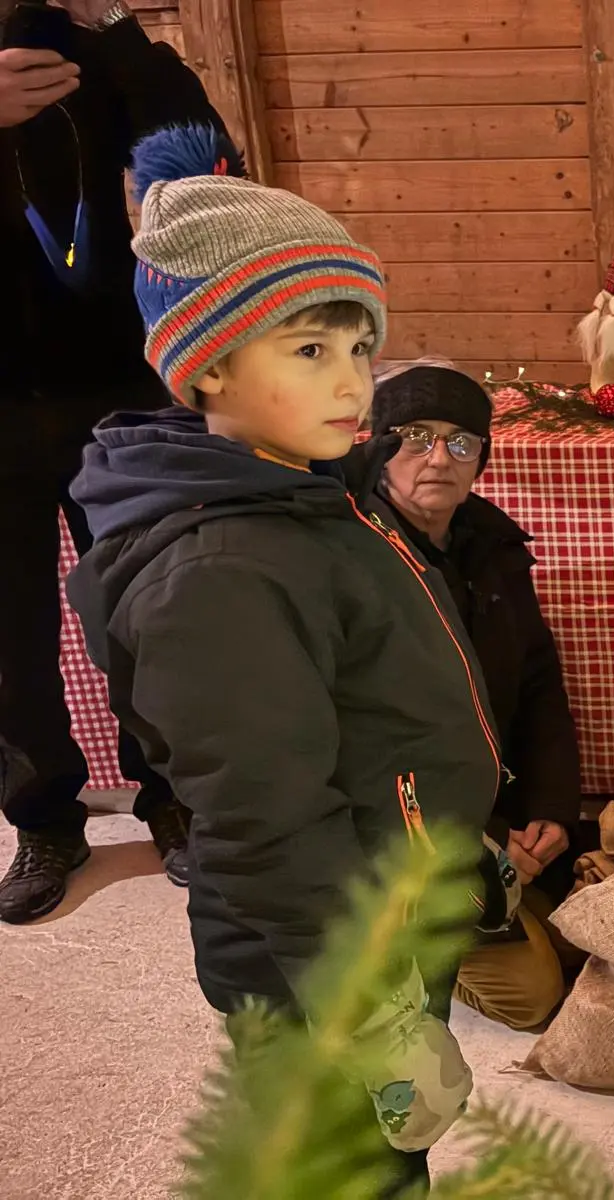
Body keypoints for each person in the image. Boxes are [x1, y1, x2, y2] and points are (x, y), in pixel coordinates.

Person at [65, 126, 505, 1184]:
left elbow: (385, 707)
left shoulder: (314, 499)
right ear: (206, 361)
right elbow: (264, 819)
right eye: (309, 350)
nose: (354, 384)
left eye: (361, 348)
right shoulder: (220, 570)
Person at [0, 0, 225, 921]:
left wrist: (117, 21)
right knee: (8, 633)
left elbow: (211, 158)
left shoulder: (110, 52)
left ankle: (175, 802)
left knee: (152, 612)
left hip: (120, 390)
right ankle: (45, 820)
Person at [349, 363, 584, 1031]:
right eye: (415, 436)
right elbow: (368, 749)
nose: (438, 458)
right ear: (377, 446)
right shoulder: (354, 564)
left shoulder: (493, 547)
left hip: (499, 804)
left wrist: (550, 809)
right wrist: (490, 846)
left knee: (588, 932)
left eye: (461, 442)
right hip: (405, 835)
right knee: (532, 997)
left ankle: (508, 887)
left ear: (481, 459)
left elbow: (540, 686)